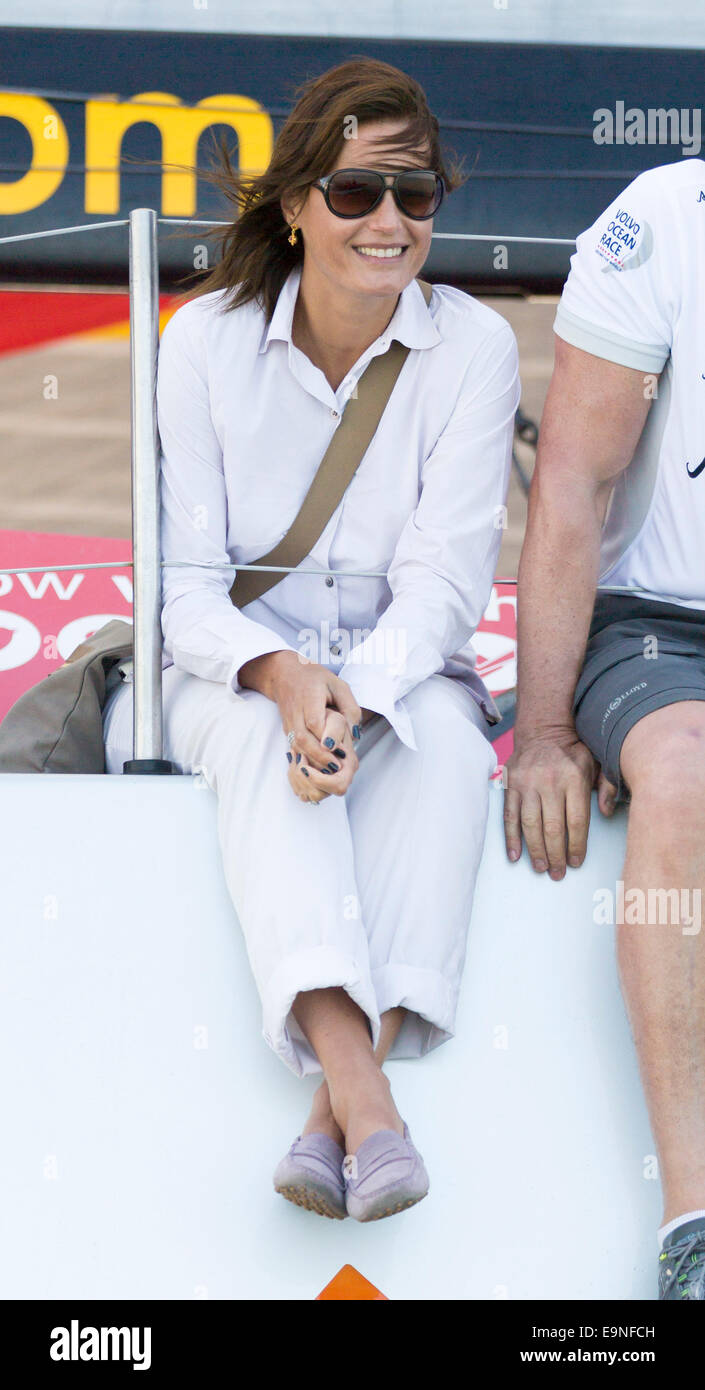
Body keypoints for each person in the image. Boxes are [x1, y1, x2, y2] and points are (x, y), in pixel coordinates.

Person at [103, 57, 519, 1223]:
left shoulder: (476, 348)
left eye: (415, 194)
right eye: (354, 193)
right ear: (294, 205)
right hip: (226, 667)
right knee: (252, 749)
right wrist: (286, 681)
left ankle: (334, 1114)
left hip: (398, 669)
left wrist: (350, 696)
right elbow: (182, 593)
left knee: (446, 748)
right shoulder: (203, 342)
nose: (389, 221)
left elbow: (444, 586)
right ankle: (367, 1100)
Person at [504, 156, 705, 1297]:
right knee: (682, 773)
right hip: (665, 625)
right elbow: (571, 486)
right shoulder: (661, 221)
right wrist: (542, 727)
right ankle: (694, 1224)